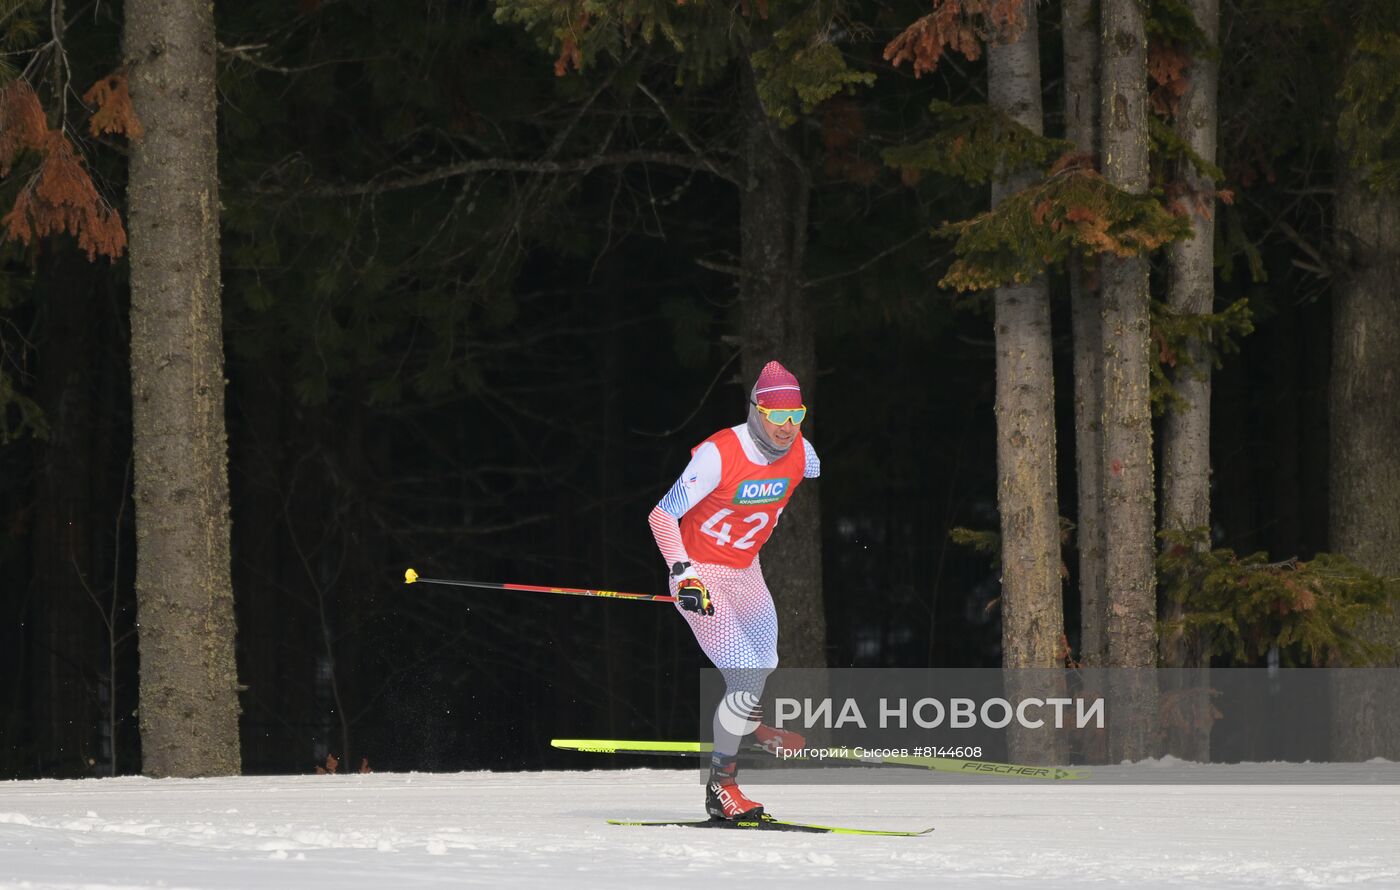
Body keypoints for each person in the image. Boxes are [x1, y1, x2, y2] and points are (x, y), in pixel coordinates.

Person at [647, 359, 820, 820]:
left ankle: (755, 724)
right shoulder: (720, 454)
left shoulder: (803, 454)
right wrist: (683, 574)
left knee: (763, 664)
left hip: (746, 572)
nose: (787, 428)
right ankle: (721, 789)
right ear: (756, 411)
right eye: (777, 416)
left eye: (796, 416)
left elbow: (806, 468)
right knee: (744, 670)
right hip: (700, 574)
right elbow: (661, 515)